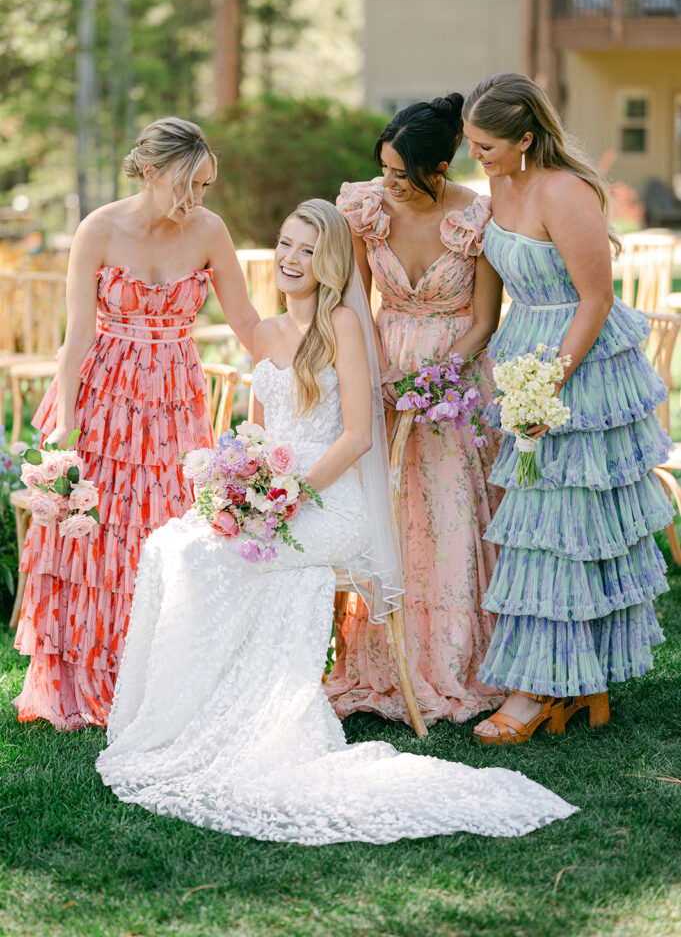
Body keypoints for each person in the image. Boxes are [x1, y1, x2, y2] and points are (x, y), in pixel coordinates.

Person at [95, 198, 577, 843]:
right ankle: (184, 716)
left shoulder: (347, 325)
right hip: (273, 495)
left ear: (329, 264)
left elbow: (354, 437)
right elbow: (258, 432)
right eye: (286, 245)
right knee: (171, 545)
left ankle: (245, 716)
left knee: (214, 556)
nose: (292, 261)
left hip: (330, 502)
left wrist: (288, 495)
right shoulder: (265, 333)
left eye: (307, 251)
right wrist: (242, 486)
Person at [14, 116, 259, 731]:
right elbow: (76, 339)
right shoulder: (98, 229)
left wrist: (317, 346)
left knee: (163, 534)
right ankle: (89, 679)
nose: (198, 200)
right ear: (151, 172)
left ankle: (158, 675)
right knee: (94, 538)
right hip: (103, 399)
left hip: (175, 404)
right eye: (190, 185)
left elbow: (250, 326)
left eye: (206, 187)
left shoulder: (209, 231)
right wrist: (64, 429)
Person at [462, 73, 672, 745]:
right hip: (521, 356)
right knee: (533, 524)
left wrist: (546, 384)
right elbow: (489, 297)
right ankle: (576, 682)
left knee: (562, 529)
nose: (478, 157)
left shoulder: (564, 191)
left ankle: (535, 692)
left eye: (488, 145)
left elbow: (595, 300)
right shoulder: (497, 188)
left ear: (525, 138)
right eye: (471, 144)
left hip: (575, 367)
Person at [324, 94, 504, 725]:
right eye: (386, 169)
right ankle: (379, 660)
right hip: (382, 366)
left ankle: (451, 660)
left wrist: (436, 380)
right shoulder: (367, 208)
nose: (390, 183)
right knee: (389, 510)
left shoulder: (477, 219)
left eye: (403, 174)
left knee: (451, 513)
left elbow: (484, 320)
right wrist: (377, 379)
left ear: (441, 166)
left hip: (455, 381)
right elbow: (355, 301)